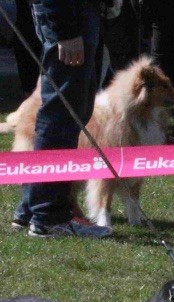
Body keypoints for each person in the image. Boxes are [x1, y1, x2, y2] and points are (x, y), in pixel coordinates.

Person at [13, 0, 110, 238]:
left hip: (76, 13)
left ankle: (30, 209)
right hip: (67, 13)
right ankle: (49, 216)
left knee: (74, 111)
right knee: (61, 115)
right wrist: (65, 31)